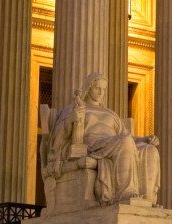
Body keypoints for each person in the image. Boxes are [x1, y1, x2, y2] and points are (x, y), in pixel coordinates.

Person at [47, 72, 160, 204]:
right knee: (125, 142)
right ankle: (125, 193)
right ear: (88, 88)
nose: (101, 92)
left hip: (115, 143)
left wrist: (145, 140)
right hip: (93, 146)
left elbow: (128, 137)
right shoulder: (75, 108)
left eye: (103, 89)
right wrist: (71, 119)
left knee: (150, 150)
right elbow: (58, 138)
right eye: (97, 88)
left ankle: (147, 199)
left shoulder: (111, 113)